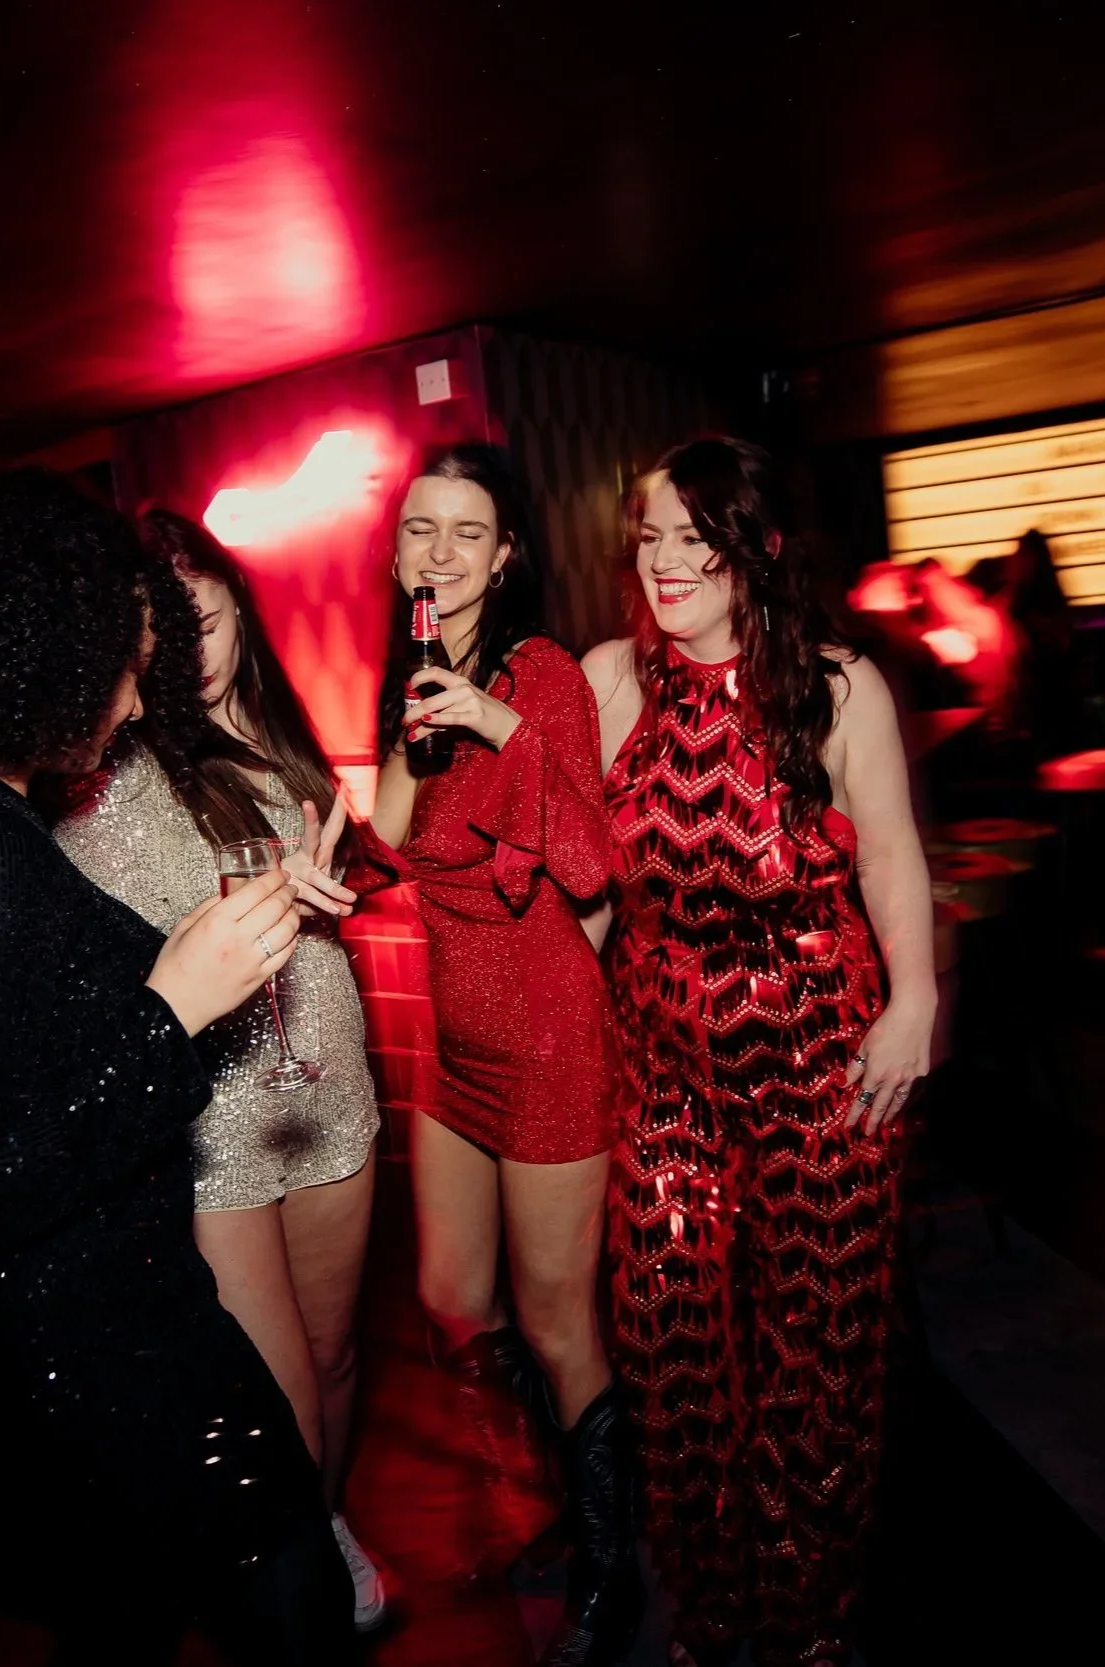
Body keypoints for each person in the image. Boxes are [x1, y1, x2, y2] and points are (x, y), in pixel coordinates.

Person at [0, 470, 356, 1666]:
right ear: (38, 653)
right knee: (287, 1590)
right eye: (118, 656)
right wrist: (170, 1008)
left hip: (58, 1352)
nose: (132, 689)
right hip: (99, 1356)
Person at [582, 437, 935, 1667]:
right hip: (662, 1061)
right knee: (667, 1334)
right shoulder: (608, 679)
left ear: (756, 549)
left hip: (817, 1050)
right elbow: (569, 866)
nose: (668, 560)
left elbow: (887, 851)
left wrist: (912, 1000)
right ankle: (711, 1598)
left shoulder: (836, 683)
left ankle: (802, 1616)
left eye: (696, 535)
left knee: (815, 1350)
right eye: (650, 536)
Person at [54, 508, 384, 1631]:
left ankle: (324, 1536)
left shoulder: (284, 736)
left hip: (329, 1069)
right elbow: (89, 946)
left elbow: (346, 890)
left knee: (338, 1355)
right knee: (272, 1393)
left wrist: (331, 871)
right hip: (216, 1102)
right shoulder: (112, 760)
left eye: (202, 595)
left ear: (238, 597)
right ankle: (294, 1589)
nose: (188, 622)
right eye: (159, 610)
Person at [367, 443, 642, 1667]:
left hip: (541, 1031)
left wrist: (494, 718)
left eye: (465, 531)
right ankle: (546, 1497)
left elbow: (590, 861)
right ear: (396, 552)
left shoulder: (540, 674)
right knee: (449, 1298)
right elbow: (388, 834)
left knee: (557, 1321)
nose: (438, 550)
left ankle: (607, 1561)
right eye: (419, 529)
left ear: (506, 552)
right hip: (453, 1032)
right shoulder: (417, 672)